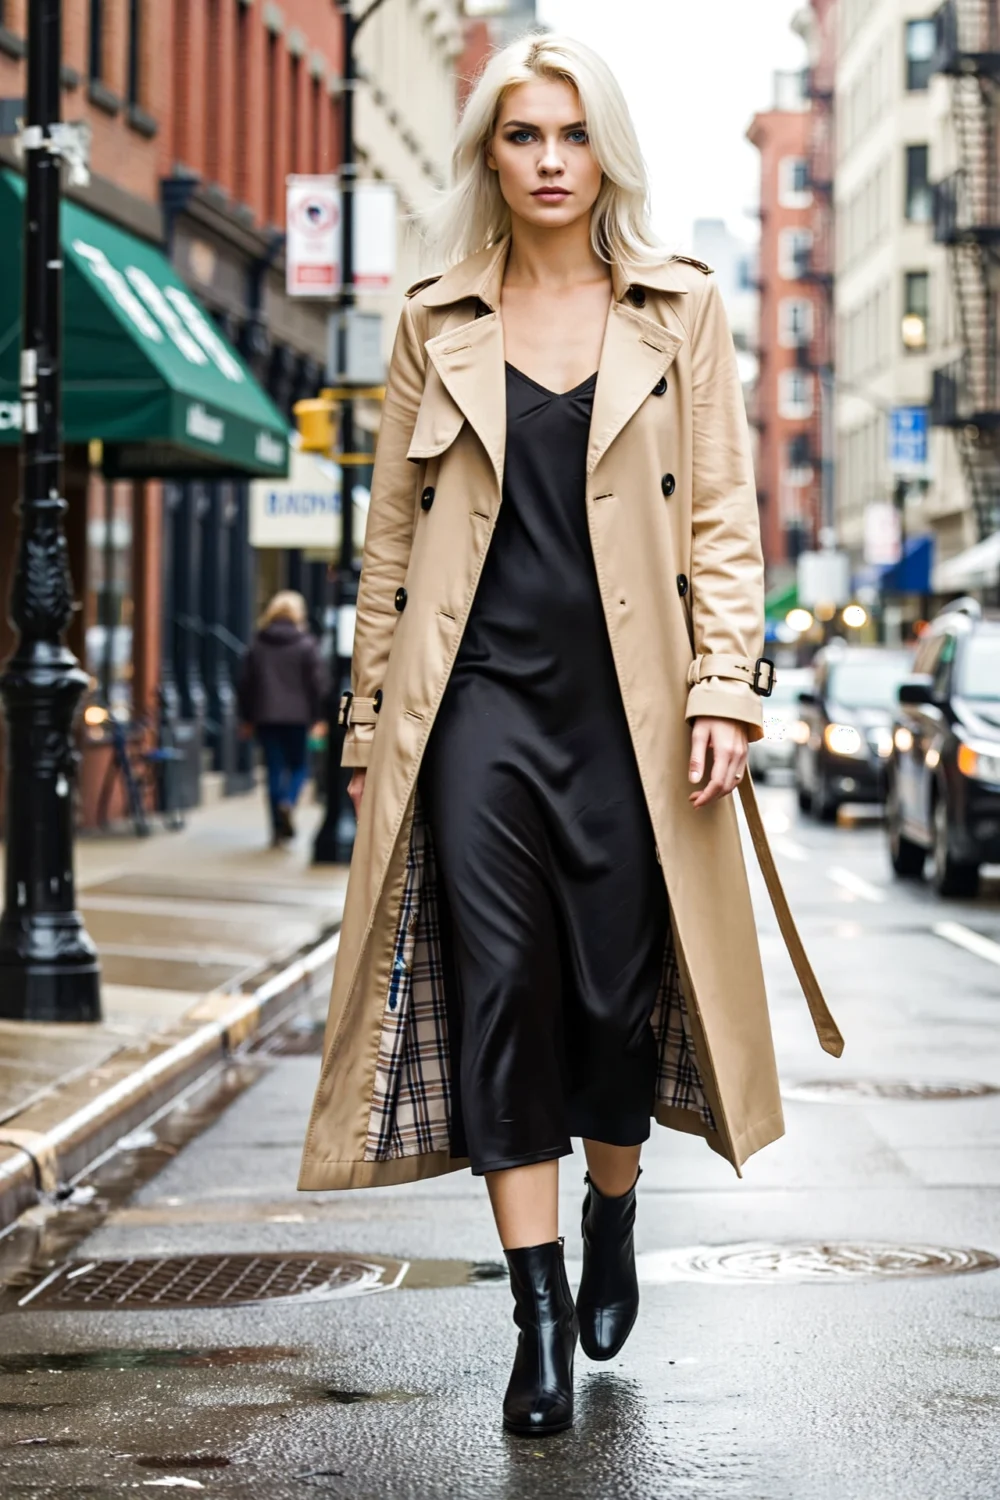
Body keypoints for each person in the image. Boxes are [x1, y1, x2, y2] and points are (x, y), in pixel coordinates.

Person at [299, 34, 842, 1436]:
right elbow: (392, 542)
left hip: (632, 713)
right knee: (501, 994)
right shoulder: (435, 320)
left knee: (612, 1000)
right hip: (475, 702)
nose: (548, 161)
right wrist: (367, 725)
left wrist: (727, 685)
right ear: (490, 156)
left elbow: (726, 515)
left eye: (571, 136)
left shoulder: (681, 309)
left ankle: (613, 1207)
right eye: (522, 137)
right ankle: (535, 1310)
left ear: (606, 153)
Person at [237, 591, 328, 846]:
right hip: (298, 718)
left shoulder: (258, 644)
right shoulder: (306, 644)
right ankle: (288, 800)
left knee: (274, 769)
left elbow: (245, 684)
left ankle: (276, 830)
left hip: (265, 716)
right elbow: (317, 684)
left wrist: (246, 717)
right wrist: (319, 717)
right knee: (299, 766)